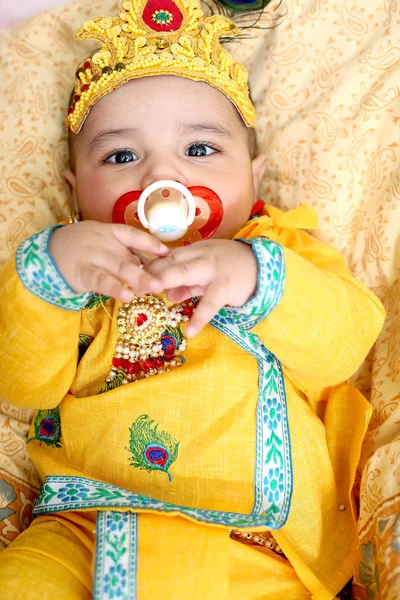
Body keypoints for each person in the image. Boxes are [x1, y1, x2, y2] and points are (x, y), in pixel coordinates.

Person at [0, 0, 385, 598]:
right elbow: (25, 384)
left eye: (200, 150)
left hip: (254, 546)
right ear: (75, 190)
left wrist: (259, 277)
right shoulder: (83, 271)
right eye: (120, 156)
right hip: (85, 525)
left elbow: (346, 346)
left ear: (255, 178)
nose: (162, 175)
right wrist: (47, 273)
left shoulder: (280, 251)